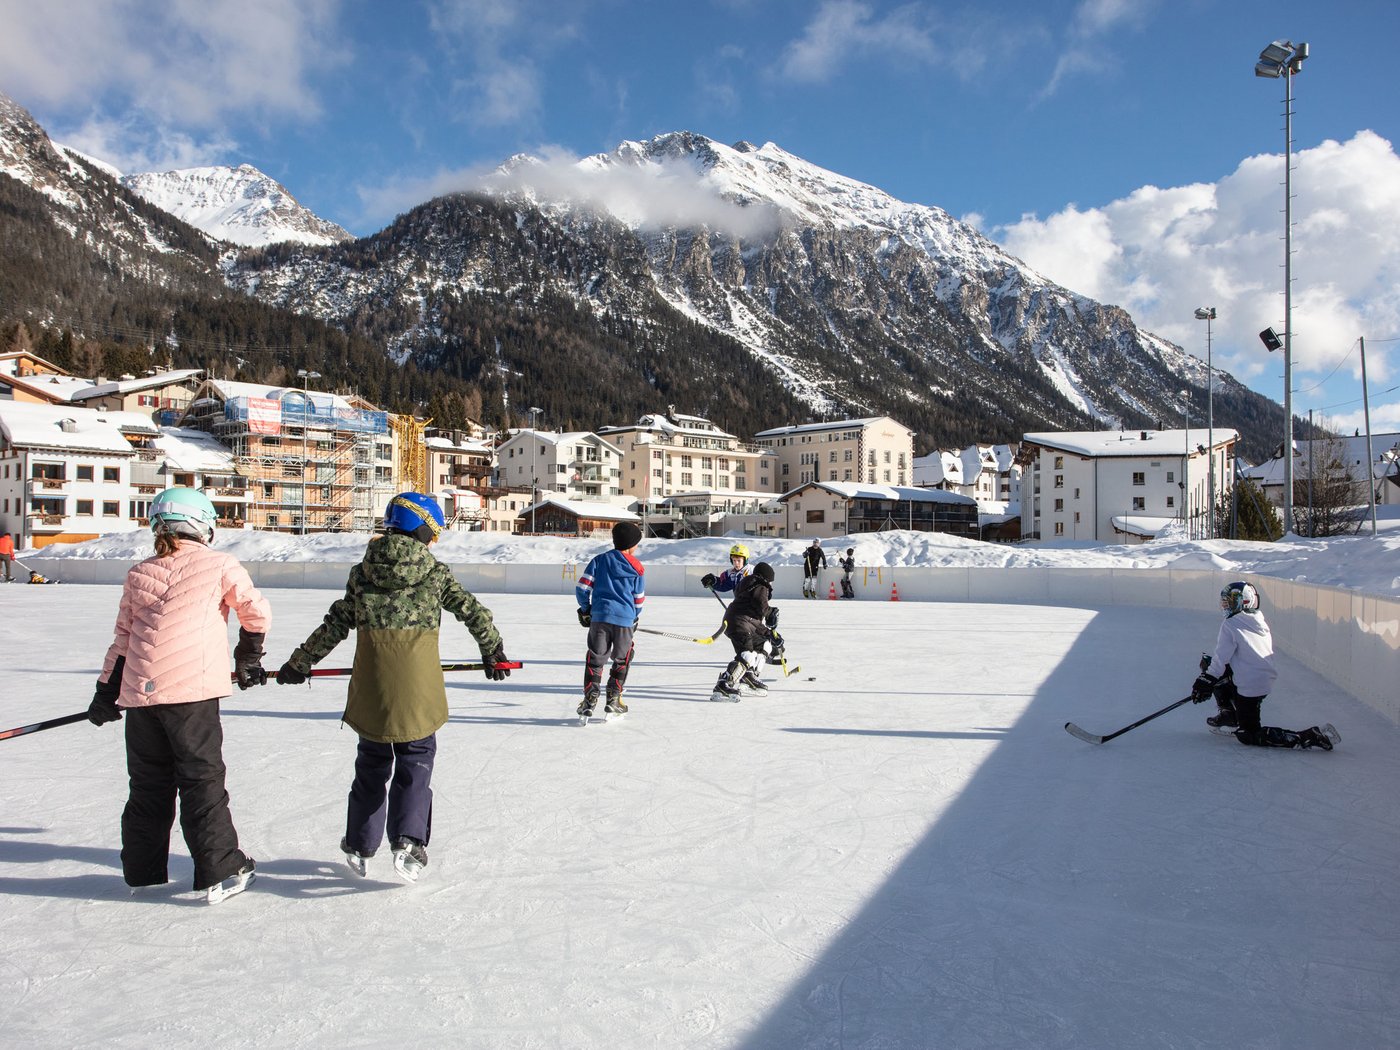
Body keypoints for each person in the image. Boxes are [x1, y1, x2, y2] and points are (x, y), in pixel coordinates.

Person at [275, 492, 511, 882]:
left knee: (371, 764)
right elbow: (473, 611)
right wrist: (493, 651)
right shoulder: (435, 573)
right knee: (415, 763)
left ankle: (359, 843)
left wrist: (299, 664)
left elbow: (335, 625)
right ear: (422, 529)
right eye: (433, 533)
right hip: (419, 690)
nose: (434, 541)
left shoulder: (362, 572)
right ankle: (408, 839)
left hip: (373, 689)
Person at [87, 487, 270, 904]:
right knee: (201, 782)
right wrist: (249, 658)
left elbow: (123, 642)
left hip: (141, 700)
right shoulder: (220, 564)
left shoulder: (139, 572)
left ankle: (143, 870)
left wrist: (105, 693)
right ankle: (220, 869)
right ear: (203, 524)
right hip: (191, 696)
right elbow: (256, 613)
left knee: (148, 786)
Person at [1191, 581, 1339, 751]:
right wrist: (1209, 679)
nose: (1225, 606)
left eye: (1229, 602)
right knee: (1211, 668)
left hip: (1250, 685)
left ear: (1244, 601)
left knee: (1248, 734)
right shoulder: (1257, 619)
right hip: (1261, 678)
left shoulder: (1230, 624)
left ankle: (1307, 736)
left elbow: (1220, 659)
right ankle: (1229, 715)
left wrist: (1205, 681)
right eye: (1224, 602)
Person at [575, 521, 645, 722]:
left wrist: (586, 610)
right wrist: (634, 617)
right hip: (624, 621)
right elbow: (638, 598)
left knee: (596, 659)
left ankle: (590, 700)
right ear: (631, 544)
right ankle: (614, 699)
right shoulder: (637, 567)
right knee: (623, 658)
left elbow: (582, 588)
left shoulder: (599, 561)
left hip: (600, 618)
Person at [711, 561, 779, 702]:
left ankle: (748, 677)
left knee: (765, 645)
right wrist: (771, 612)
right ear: (767, 578)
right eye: (771, 582)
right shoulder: (760, 585)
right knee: (747, 655)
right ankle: (723, 684)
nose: (771, 585)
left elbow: (754, 621)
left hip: (744, 622)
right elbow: (762, 607)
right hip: (738, 623)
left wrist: (769, 634)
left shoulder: (752, 585)